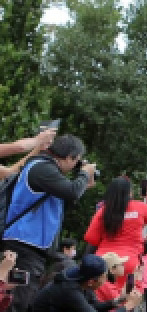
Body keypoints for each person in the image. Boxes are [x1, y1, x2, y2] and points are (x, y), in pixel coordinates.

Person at [2, 134, 95, 312]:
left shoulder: (47, 171)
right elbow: (72, 191)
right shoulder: (42, 168)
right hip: (24, 245)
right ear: (69, 157)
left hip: (30, 246)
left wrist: (85, 180)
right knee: (19, 300)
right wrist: (84, 173)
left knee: (23, 297)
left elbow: (71, 194)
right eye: (76, 161)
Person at [83, 176, 147, 291]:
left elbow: (91, 238)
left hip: (103, 264)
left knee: (101, 297)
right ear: (129, 192)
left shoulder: (103, 210)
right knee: (129, 296)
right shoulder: (140, 207)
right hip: (130, 264)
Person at [31, 254, 143, 312]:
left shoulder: (82, 279)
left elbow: (94, 305)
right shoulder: (70, 290)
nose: (105, 280)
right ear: (91, 282)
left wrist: (119, 300)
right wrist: (128, 306)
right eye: (104, 277)